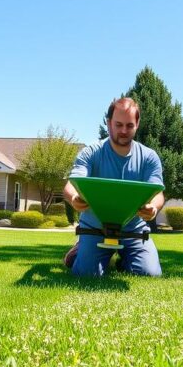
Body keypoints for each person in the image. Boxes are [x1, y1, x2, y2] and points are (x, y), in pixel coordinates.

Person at [62, 97, 165, 276]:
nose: (124, 130)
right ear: (108, 122)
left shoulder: (149, 157)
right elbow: (72, 183)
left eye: (129, 125)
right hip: (95, 228)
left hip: (134, 230)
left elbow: (158, 192)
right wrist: (73, 198)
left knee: (150, 274)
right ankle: (80, 250)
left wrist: (154, 208)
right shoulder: (91, 152)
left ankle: (125, 259)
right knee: (86, 275)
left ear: (137, 124)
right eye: (118, 124)